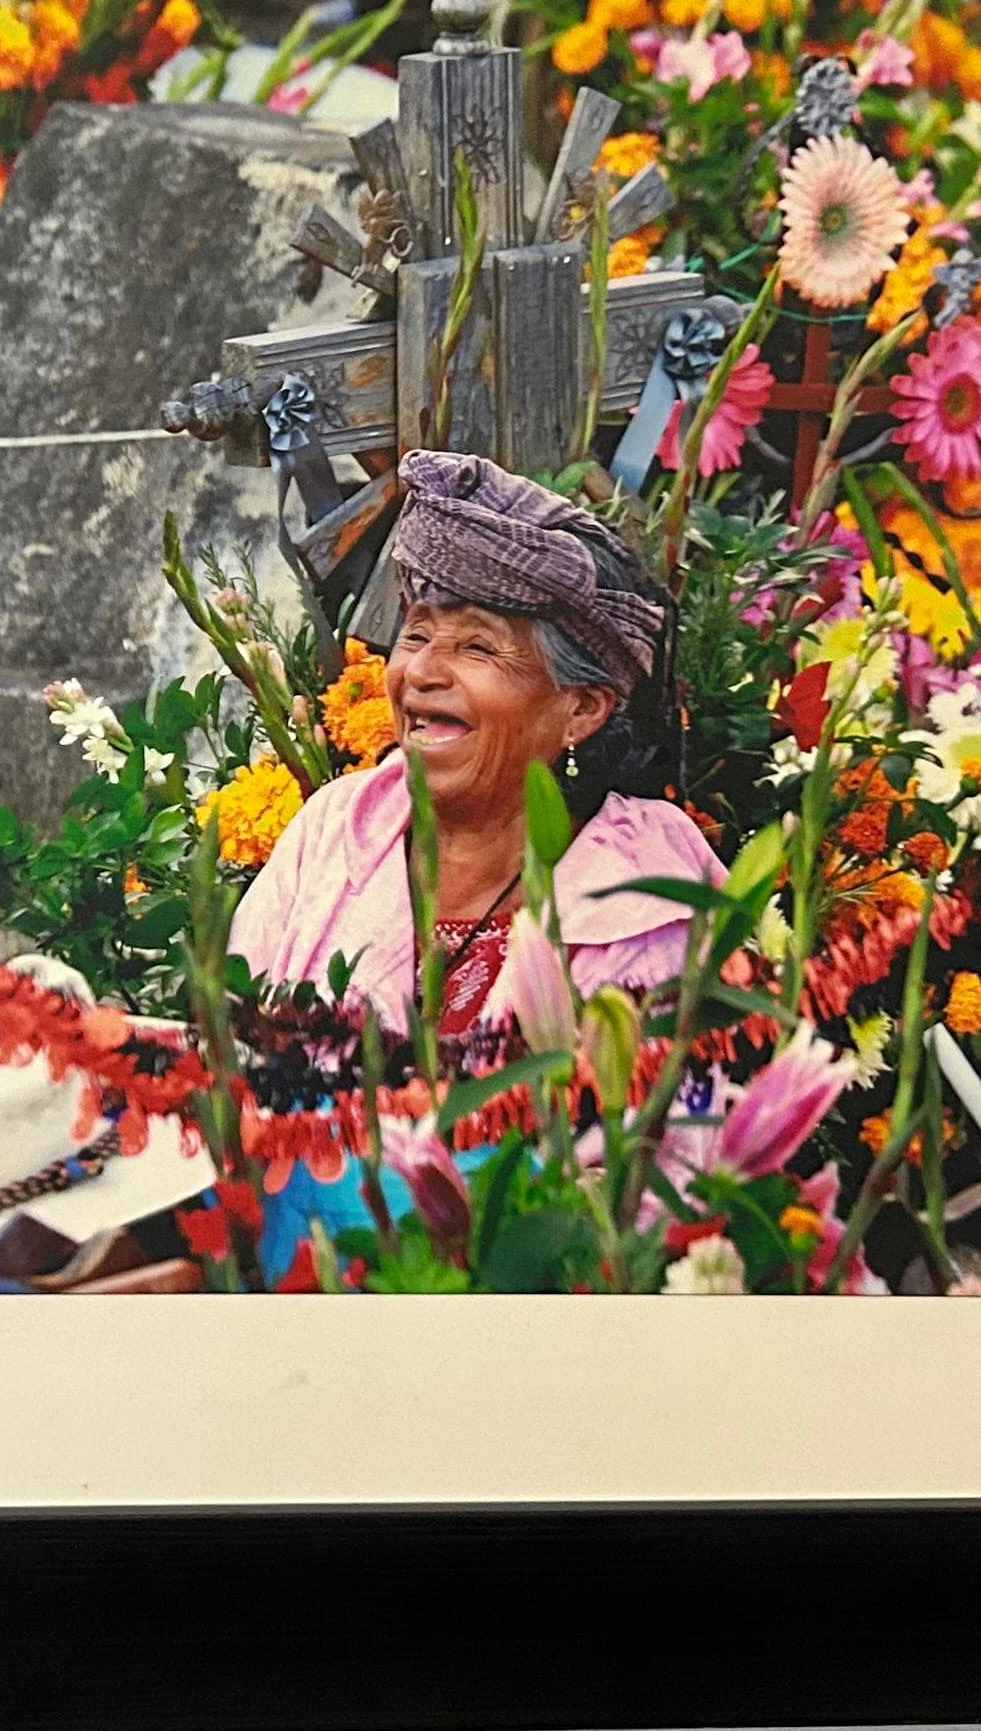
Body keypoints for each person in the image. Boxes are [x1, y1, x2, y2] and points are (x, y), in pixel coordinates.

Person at [227, 451, 726, 1269]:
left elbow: (657, 1186)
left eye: (477, 649)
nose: (421, 672)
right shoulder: (336, 828)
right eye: (417, 633)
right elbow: (233, 1055)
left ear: (582, 708)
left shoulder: (649, 895)